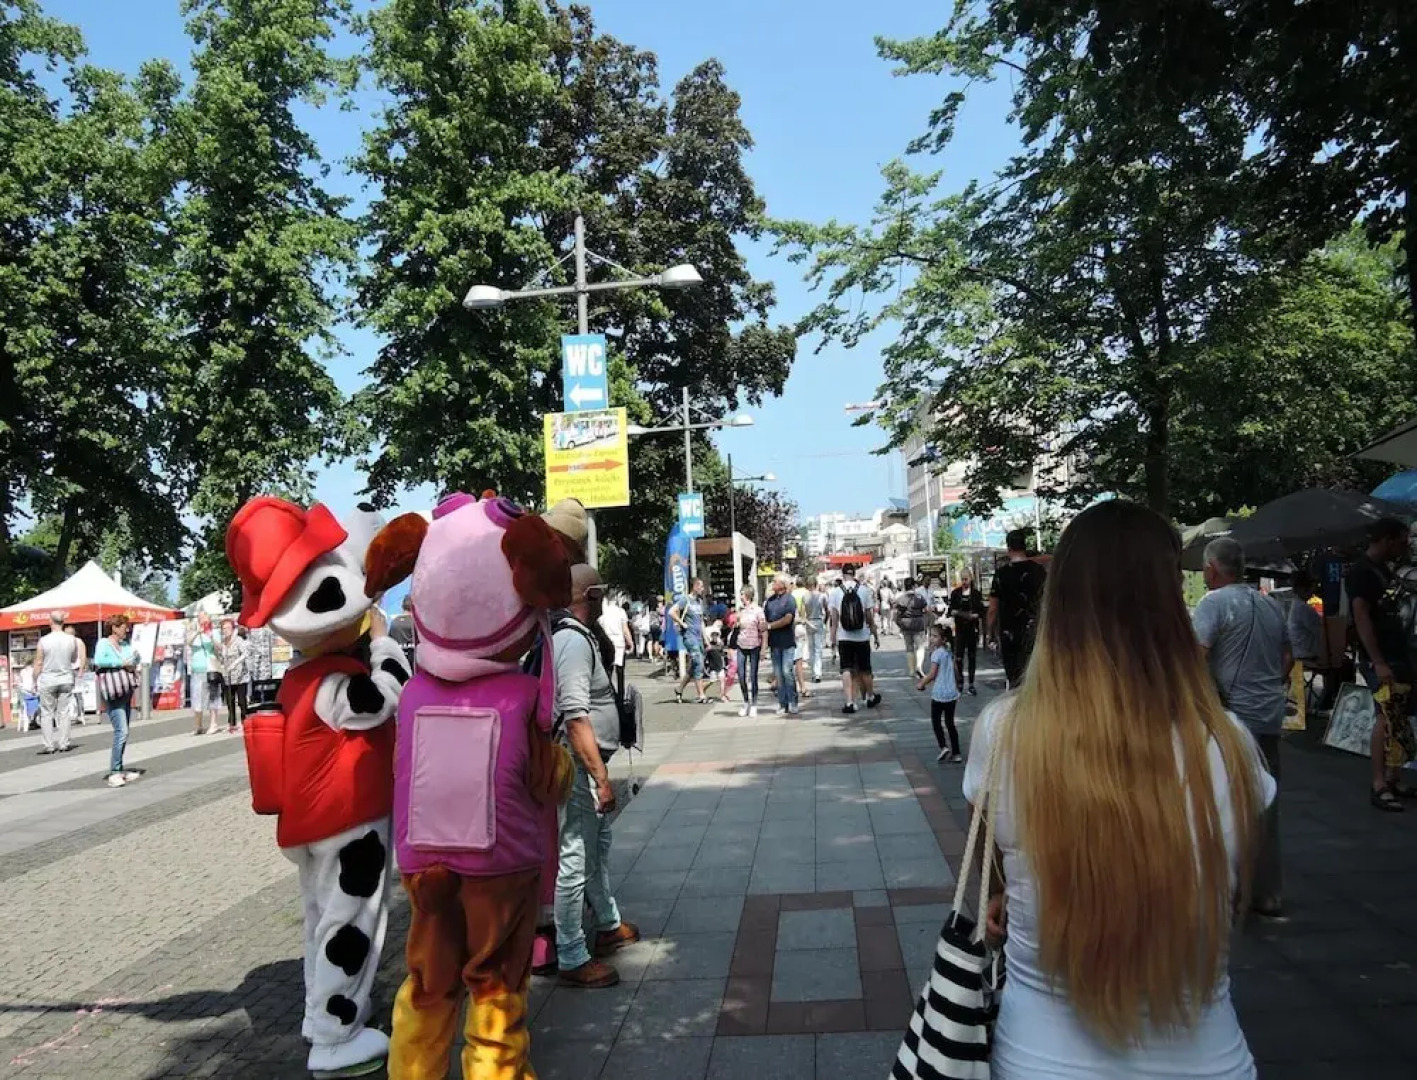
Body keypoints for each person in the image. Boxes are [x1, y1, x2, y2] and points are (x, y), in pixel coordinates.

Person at [961, 500, 1273, 1079]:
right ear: (1170, 603)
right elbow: (1225, 883)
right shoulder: (1228, 745)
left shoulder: (1003, 731)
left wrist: (1010, 890)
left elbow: (991, 855)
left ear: (1062, 603)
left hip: (1041, 1060)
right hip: (1209, 1061)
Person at [1193, 536, 1290, 918]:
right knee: (1267, 800)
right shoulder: (1269, 605)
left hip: (1232, 718)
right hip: (1268, 714)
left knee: (1225, 801)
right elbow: (1287, 656)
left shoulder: (1213, 604)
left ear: (1211, 570)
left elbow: (1196, 659)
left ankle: (1232, 890)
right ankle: (1268, 892)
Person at [552, 564, 639, 988]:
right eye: (600, 591)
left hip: (587, 762)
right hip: (581, 765)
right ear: (589, 595)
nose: (604, 598)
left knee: (595, 847)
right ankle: (571, 952)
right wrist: (600, 778)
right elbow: (575, 715)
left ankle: (606, 923)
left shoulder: (576, 636)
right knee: (574, 856)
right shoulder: (570, 639)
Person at [1346, 517, 1417, 812]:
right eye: (1401, 540)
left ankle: (1393, 776)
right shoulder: (1362, 572)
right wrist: (1377, 661)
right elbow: (1361, 616)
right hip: (1381, 657)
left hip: (1397, 653)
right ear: (1387, 539)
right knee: (1385, 715)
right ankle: (1378, 784)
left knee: (1397, 714)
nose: (1405, 545)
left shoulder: (1383, 571)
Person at [988, 529, 1048, 689]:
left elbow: (993, 608)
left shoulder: (1001, 574)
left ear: (1009, 548)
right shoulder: (1039, 571)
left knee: (1015, 679)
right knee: (1035, 677)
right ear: (1024, 546)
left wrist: (990, 633)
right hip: (1035, 631)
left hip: (1010, 633)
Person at [92, 614, 142, 788]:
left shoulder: (125, 645)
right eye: (123, 627)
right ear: (114, 627)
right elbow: (99, 660)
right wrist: (121, 663)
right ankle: (114, 771)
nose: (126, 630)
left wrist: (134, 660)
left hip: (125, 689)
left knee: (124, 730)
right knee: (122, 731)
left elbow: (132, 659)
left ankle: (119, 768)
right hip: (113, 690)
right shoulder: (103, 643)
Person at [830, 564, 880, 715]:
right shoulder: (864, 590)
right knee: (865, 668)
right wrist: (875, 633)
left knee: (846, 669)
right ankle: (870, 696)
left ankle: (850, 702)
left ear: (842, 574)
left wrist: (833, 640)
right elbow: (869, 616)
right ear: (854, 573)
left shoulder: (836, 592)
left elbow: (834, 619)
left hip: (844, 637)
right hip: (862, 636)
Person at [32, 611, 80, 755]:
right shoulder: (71, 639)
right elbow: (73, 659)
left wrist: (34, 678)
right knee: (64, 712)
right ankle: (64, 743)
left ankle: (49, 745)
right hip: (66, 678)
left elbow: (39, 662)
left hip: (48, 679)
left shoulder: (44, 641)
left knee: (47, 713)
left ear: (50, 622)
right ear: (63, 622)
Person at [917, 623, 961, 763]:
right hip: (951, 693)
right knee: (950, 723)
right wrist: (958, 684)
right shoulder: (949, 652)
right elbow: (955, 670)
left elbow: (932, 674)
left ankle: (943, 746)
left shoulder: (936, 654)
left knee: (936, 722)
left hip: (939, 694)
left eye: (935, 636)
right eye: (931, 636)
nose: (931, 639)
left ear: (943, 639)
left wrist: (921, 683)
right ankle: (956, 752)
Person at [763, 573, 800, 715]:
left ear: (783, 584)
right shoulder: (770, 601)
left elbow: (788, 619)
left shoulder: (789, 600)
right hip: (775, 643)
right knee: (778, 674)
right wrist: (765, 643)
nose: (773, 583)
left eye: (775, 581)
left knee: (787, 671)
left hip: (787, 642)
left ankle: (793, 700)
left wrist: (770, 626)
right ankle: (782, 703)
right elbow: (765, 622)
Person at [671, 578, 709, 705]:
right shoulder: (685, 600)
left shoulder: (699, 602)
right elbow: (672, 611)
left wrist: (706, 639)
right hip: (689, 637)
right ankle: (701, 695)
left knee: (694, 666)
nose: (703, 589)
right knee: (699, 663)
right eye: (701, 586)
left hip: (698, 638)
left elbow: (701, 621)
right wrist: (682, 623)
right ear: (694, 587)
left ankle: (679, 689)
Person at [947, 570, 985, 695]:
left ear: (971, 579)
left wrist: (976, 616)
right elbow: (950, 610)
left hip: (972, 629)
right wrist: (958, 613)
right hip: (960, 629)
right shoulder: (955, 593)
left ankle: (972, 683)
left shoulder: (976, 594)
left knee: (972, 656)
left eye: (966, 579)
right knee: (958, 657)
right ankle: (960, 682)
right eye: (962, 579)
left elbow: (981, 611)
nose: (964, 582)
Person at [734, 586, 767, 717]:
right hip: (741, 645)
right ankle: (745, 701)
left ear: (748, 595)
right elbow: (736, 626)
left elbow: (763, 630)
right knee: (741, 675)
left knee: (753, 675)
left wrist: (764, 648)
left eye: (742, 594)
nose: (740, 597)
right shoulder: (740, 610)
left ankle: (754, 703)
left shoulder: (758, 611)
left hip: (754, 645)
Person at [187, 613, 222, 736]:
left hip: (211, 667)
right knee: (197, 697)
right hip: (197, 668)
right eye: (201, 621)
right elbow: (188, 642)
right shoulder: (194, 632)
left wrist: (211, 636)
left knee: (212, 695)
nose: (204, 623)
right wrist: (198, 632)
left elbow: (219, 647)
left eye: (206, 621)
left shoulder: (214, 632)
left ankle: (214, 724)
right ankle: (198, 725)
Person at [217, 617, 250, 733]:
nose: (225, 630)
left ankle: (244, 721)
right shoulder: (223, 642)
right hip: (228, 676)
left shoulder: (238, 640)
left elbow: (245, 654)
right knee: (230, 701)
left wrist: (235, 663)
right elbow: (221, 657)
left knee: (241, 701)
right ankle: (232, 723)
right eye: (223, 628)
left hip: (240, 675)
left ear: (232, 629)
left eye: (227, 628)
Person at [893, 576, 929, 677]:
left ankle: (912, 670)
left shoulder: (900, 599)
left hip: (905, 625)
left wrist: (899, 624)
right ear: (914, 586)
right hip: (918, 624)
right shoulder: (919, 597)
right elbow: (926, 609)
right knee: (920, 646)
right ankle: (919, 666)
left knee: (909, 647)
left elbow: (896, 613)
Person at [597, 593, 633, 683]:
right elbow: (625, 629)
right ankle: (621, 693)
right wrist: (630, 642)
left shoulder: (603, 612)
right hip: (619, 642)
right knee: (620, 670)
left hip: (606, 641)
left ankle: (608, 690)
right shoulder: (621, 611)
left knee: (608, 669)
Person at [803, 576, 828, 684]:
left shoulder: (805, 597)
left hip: (809, 622)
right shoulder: (822, 596)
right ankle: (817, 673)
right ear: (816, 584)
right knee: (818, 649)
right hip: (819, 621)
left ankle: (814, 672)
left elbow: (802, 613)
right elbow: (827, 610)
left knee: (811, 648)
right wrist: (825, 621)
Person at [62, 625, 86, 727]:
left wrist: (81, 669)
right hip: (65, 670)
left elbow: (83, 656)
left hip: (75, 669)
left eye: (70, 634)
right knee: (65, 693)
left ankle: (80, 714)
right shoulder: (62, 643)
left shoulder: (78, 642)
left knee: (78, 693)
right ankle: (66, 715)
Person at [388, 593, 417, 672]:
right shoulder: (416, 623)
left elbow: (390, 643)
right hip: (414, 665)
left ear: (402, 606)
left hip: (399, 665)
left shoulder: (394, 622)